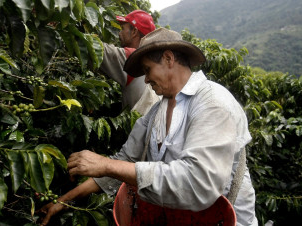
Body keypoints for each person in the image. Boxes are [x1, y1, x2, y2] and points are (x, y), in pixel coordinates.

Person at [39, 28, 258, 225]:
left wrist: (106, 165)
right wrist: (64, 201)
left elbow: (196, 182)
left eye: (147, 70)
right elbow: (125, 160)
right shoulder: (156, 113)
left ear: (169, 58)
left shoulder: (213, 104)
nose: (145, 80)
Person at [100, 10, 160, 115]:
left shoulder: (132, 57)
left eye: (123, 28)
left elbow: (98, 50)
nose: (119, 33)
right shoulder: (157, 60)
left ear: (134, 32)